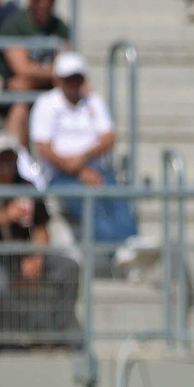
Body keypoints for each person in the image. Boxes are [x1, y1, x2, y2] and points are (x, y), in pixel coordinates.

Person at [0, 131, 80, 342]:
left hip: (23, 253)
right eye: (1, 156)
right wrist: (3, 216)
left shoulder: (26, 186)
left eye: (10, 156)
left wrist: (38, 257)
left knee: (70, 268)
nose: (5, 162)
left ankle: (59, 332)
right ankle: (18, 332)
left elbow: (41, 227)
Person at [30, 51, 138, 243]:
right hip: (59, 175)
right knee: (91, 206)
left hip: (94, 169)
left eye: (77, 78)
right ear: (57, 80)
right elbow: (43, 147)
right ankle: (115, 251)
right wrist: (77, 170)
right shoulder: (46, 104)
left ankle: (131, 244)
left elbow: (109, 137)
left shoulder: (93, 101)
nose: (73, 84)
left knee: (118, 199)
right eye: (68, 79)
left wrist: (82, 161)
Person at [0, 0, 72, 144]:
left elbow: (66, 69)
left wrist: (32, 81)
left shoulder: (60, 27)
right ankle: (20, 165)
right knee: (21, 103)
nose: (44, 3)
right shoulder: (14, 25)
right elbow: (21, 69)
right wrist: (51, 72)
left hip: (43, 91)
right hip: (8, 93)